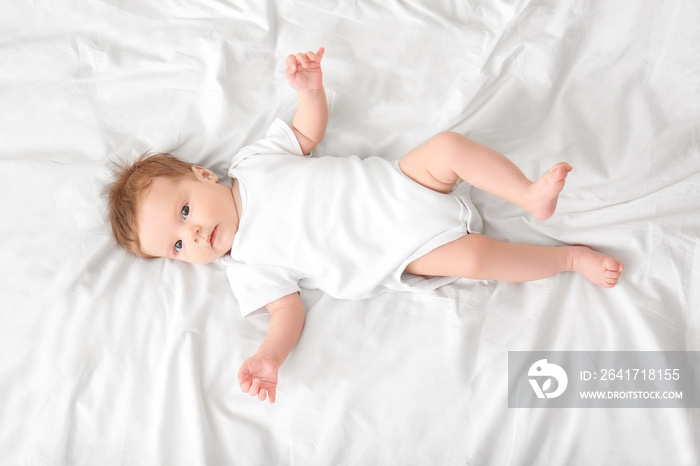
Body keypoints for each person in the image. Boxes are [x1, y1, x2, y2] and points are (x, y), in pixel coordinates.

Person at [107, 48, 623, 404]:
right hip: (399, 249)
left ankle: (528, 194)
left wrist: (311, 92)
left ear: (203, 175)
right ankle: (569, 258)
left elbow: (307, 133)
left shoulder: (254, 162)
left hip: (401, 186)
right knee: (474, 258)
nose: (194, 236)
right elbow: (288, 314)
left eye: (184, 213)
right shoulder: (245, 267)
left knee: (445, 147)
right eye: (176, 246)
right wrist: (269, 356)